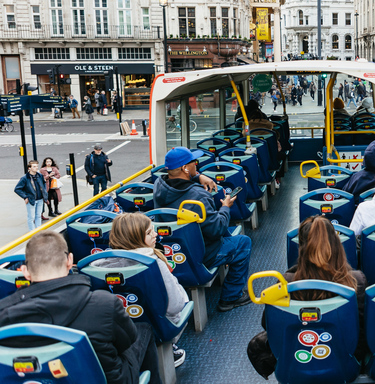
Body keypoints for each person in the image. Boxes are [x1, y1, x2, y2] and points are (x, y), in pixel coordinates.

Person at [0, 231, 162, 384]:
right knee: (144, 329)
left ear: (25, 272)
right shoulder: (104, 304)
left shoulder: (4, 313)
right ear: (70, 261)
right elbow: (128, 340)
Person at [247, 216, 367, 378]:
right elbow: (364, 328)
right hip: (346, 365)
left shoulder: (286, 282)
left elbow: (269, 325)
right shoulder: (356, 280)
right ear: (336, 244)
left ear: (301, 247)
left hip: (296, 363)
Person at [153, 147, 253, 312]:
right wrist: (226, 208)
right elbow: (217, 229)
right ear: (185, 168)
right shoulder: (198, 196)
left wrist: (198, 176)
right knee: (243, 243)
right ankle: (231, 297)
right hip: (200, 254)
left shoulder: (159, 185)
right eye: (194, 162)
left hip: (170, 250)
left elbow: (180, 183)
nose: (196, 164)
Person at [92, 213, 188, 368]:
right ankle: (168, 349)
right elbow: (176, 305)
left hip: (119, 331)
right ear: (135, 238)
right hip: (159, 327)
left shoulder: (95, 267)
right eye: (149, 232)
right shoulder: (154, 264)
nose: (155, 234)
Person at [15, 160, 48, 229]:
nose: (36, 168)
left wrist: (45, 194)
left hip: (40, 199)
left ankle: (38, 231)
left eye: (37, 166)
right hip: (31, 200)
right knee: (31, 217)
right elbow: (17, 189)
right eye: (34, 166)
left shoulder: (40, 176)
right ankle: (32, 232)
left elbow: (43, 184)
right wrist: (25, 197)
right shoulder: (25, 178)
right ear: (29, 168)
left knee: (38, 215)